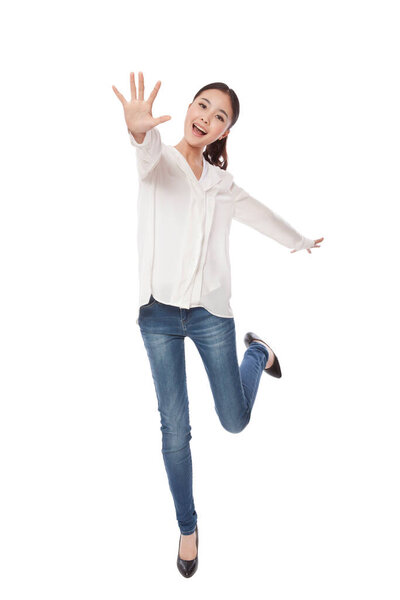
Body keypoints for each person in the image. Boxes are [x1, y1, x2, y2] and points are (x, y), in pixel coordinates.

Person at [112, 72, 324, 577]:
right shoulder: (158, 163)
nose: (205, 118)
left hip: (210, 316)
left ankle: (257, 353)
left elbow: (264, 216)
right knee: (174, 429)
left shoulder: (223, 185)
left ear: (223, 132)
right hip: (159, 317)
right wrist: (138, 130)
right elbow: (144, 149)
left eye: (219, 116)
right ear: (188, 107)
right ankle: (188, 528)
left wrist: (299, 241)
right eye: (202, 106)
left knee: (234, 421)